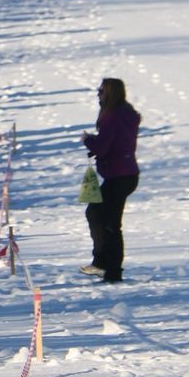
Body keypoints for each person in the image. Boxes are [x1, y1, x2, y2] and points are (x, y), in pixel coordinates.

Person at [81, 78, 141, 284]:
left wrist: (88, 140)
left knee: (108, 222)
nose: (98, 95)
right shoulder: (126, 114)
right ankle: (103, 263)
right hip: (126, 174)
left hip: (119, 175)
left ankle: (110, 268)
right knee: (98, 215)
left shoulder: (113, 116)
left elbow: (102, 147)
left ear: (110, 93)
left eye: (101, 91)